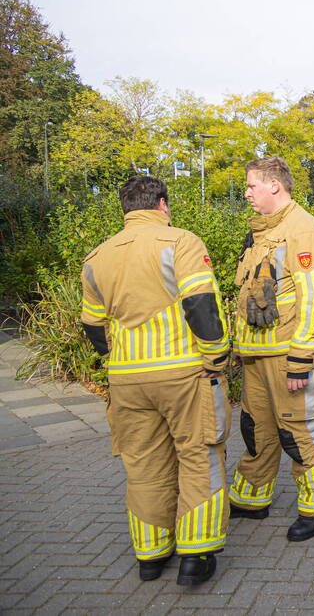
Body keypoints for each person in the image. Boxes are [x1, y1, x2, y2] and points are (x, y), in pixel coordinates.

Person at [80, 176, 231, 585]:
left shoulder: (97, 256)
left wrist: (115, 359)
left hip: (126, 379)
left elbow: (92, 324)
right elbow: (200, 304)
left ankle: (150, 556)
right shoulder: (180, 242)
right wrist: (216, 356)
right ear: (162, 204)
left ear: (125, 208)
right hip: (182, 372)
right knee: (199, 455)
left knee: (143, 463)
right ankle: (196, 556)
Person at [228, 156, 314, 542]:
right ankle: (250, 498)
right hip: (256, 354)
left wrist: (300, 360)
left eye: (252, 185)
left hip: (287, 356)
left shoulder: (303, 229)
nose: (247, 192)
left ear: (274, 185)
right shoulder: (260, 230)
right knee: (255, 430)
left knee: (299, 432)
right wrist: (240, 346)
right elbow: (252, 293)